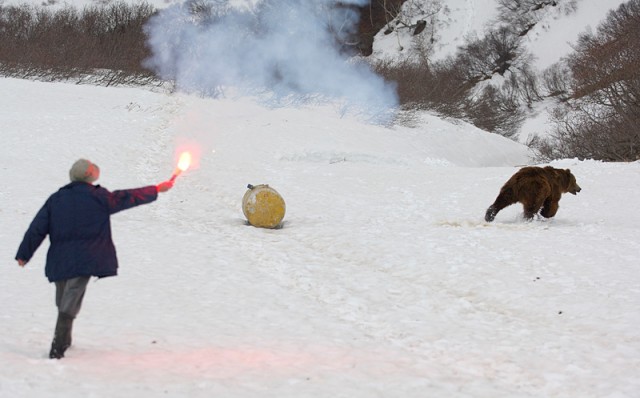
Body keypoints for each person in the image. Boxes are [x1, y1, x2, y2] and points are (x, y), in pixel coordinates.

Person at [15, 159, 174, 359]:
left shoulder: (56, 199)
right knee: (69, 299)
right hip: (87, 256)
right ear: (90, 175)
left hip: (60, 259)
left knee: (65, 297)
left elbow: (37, 228)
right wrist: (156, 189)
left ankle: (63, 342)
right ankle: (58, 348)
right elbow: (128, 197)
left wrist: (24, 253)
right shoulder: (98, 197)